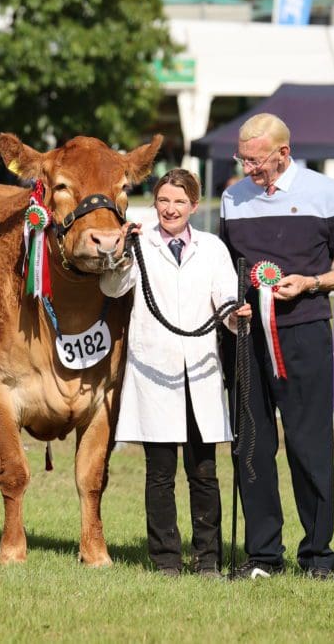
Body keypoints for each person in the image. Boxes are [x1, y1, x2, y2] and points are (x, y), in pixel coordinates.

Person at [220, 113, 334, 581]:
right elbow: (226, 268)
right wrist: (230, 307)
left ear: (283, 153)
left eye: (256, 161)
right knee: (251, 447)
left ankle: (317, 557)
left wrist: (312, 282)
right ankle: (263, 556)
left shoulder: (325, 192)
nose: (248, 169)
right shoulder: (231, 198)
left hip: (304, 334)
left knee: (309, 447)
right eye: (242, 159)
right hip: (246, 338)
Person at [101, 169, 250, 578]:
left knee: (203, 472)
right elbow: (113, 288)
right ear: (155, 202)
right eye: (164, 200)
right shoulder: (140, 244)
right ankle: (165, 558)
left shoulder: (212, 248)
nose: (170, 209)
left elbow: (225, 297)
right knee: (160, 473)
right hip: (154, 370)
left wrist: (236, 314)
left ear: (194, 206)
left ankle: (207, 557)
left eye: (180, 202)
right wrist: (121, 251)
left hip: (199, 370)